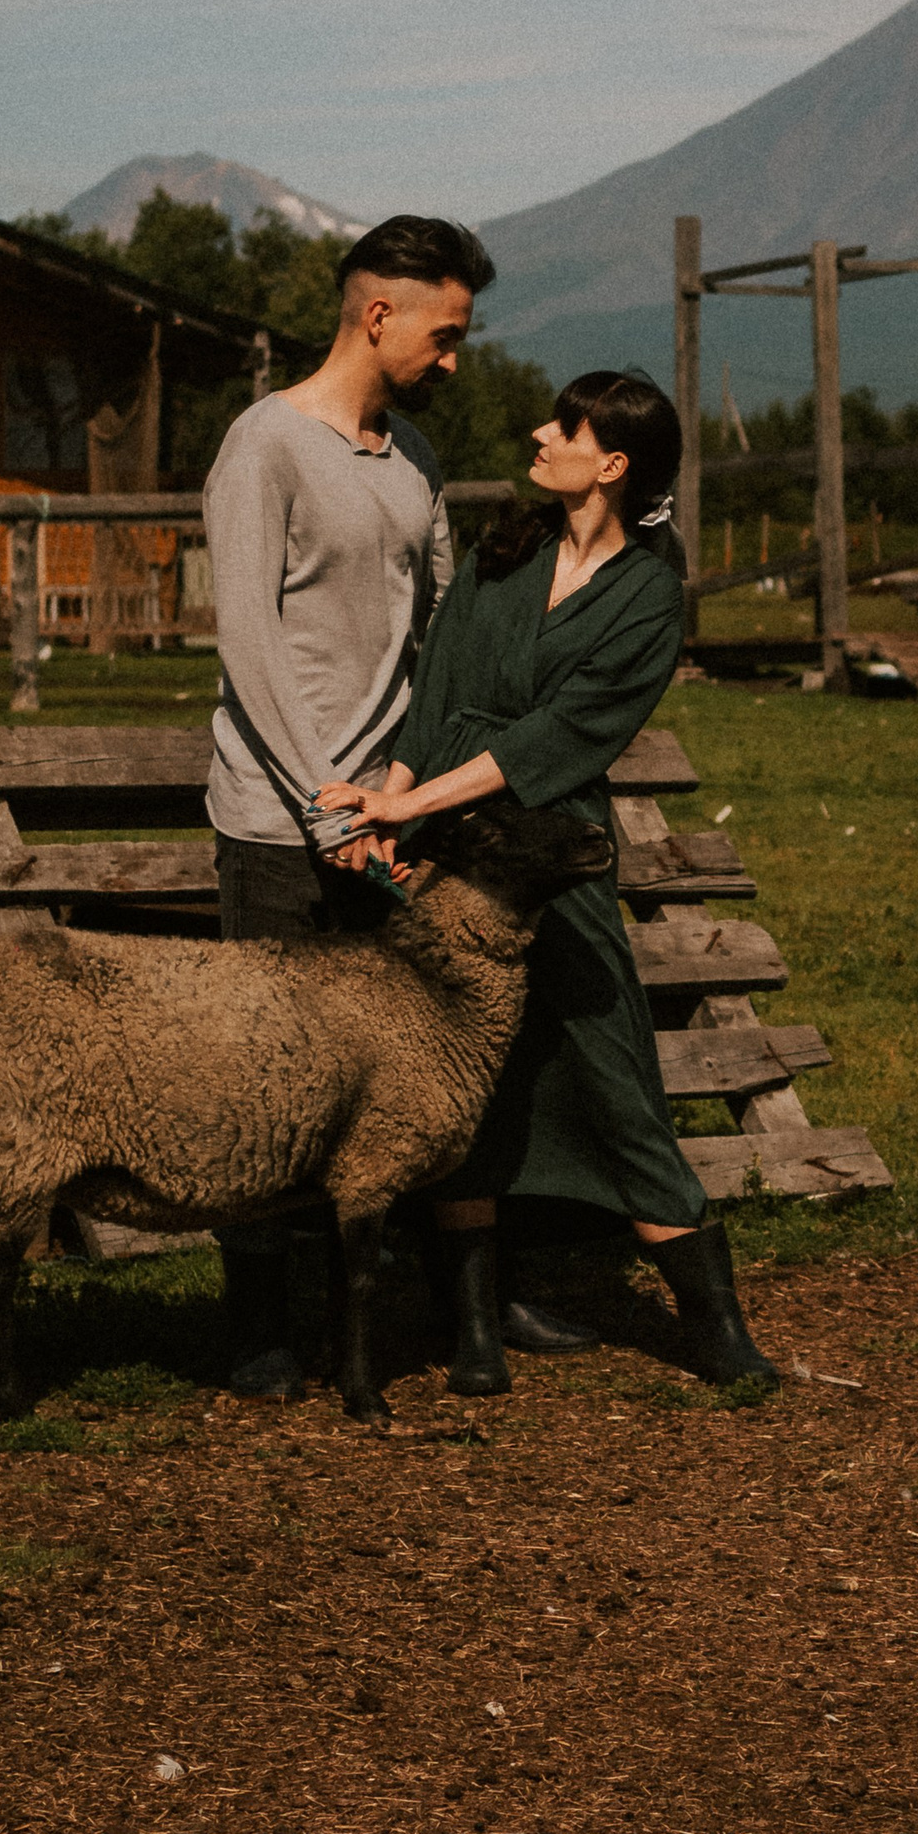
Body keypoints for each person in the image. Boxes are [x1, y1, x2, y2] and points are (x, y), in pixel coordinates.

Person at [315, 369, 778, 1396]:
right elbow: (437, 689)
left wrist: (416, 800)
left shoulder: (652, 589)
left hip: (546, 847)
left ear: (611, 462)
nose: (538, 432)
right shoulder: (508, 548)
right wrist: (395, 802)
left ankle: (712, 1326)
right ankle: (473, 1329)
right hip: (446, 846)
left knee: (615, 1076)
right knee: (464, 1081)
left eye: (561, 425)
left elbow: (558, 737)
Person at [201, 211, 491, 1395]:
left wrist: (402, 788)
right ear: (379, 314)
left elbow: (442, 637)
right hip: (280, 828)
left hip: (390, 823)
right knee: (266, 1084)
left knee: (401, 1079)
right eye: (447, 331)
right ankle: (262, 1325)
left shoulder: (413, 460)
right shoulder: (260, 447)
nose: (455, 357)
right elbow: (249, 635)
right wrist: (326, 809)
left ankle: (390, 1310)